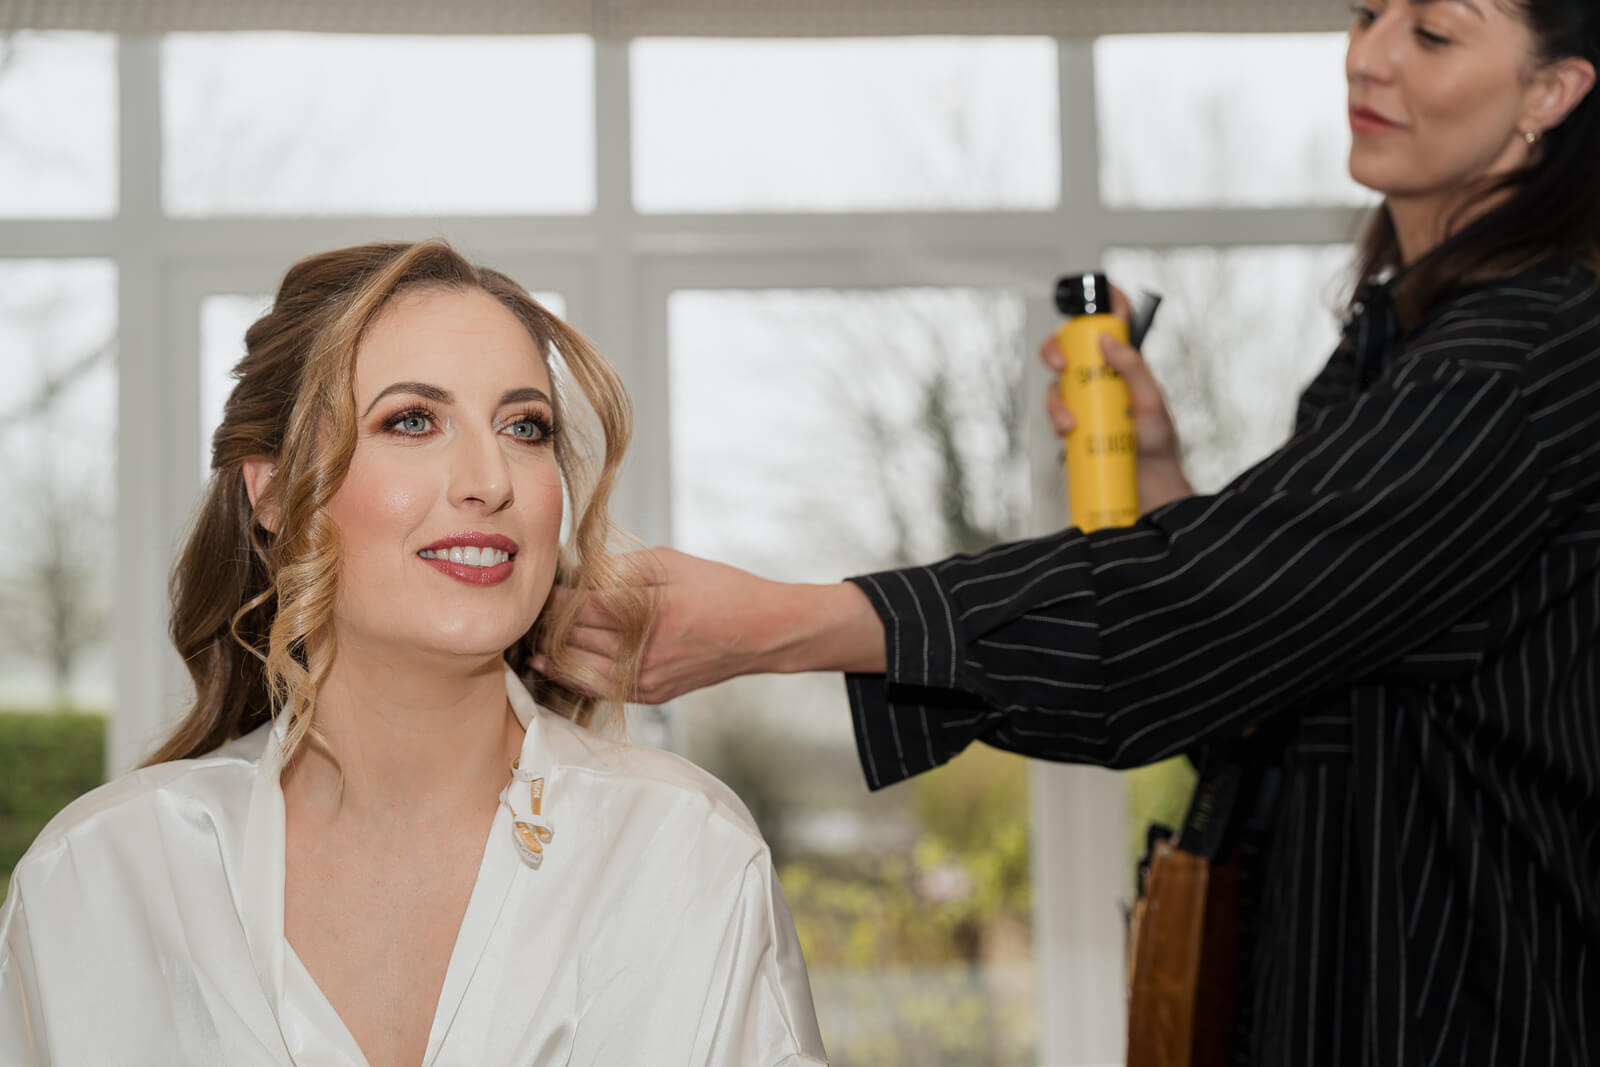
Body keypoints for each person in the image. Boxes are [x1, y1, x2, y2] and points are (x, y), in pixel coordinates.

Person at [536, 3, 1600, 1063]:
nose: (1367, 56)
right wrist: (1158, 474)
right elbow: (1282, 660)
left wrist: (791, 622)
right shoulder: (1394, 350)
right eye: (1369, 13)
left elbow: (1209, 610)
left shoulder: (1521, 359)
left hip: (1469, 991)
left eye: (1434, 34)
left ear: (1551, 91)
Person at [0, 240, 827, 1067]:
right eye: (412, 419)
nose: (489, 476)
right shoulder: (97, 879)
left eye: (524, 426)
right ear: (272, 491)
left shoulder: (686, 852)